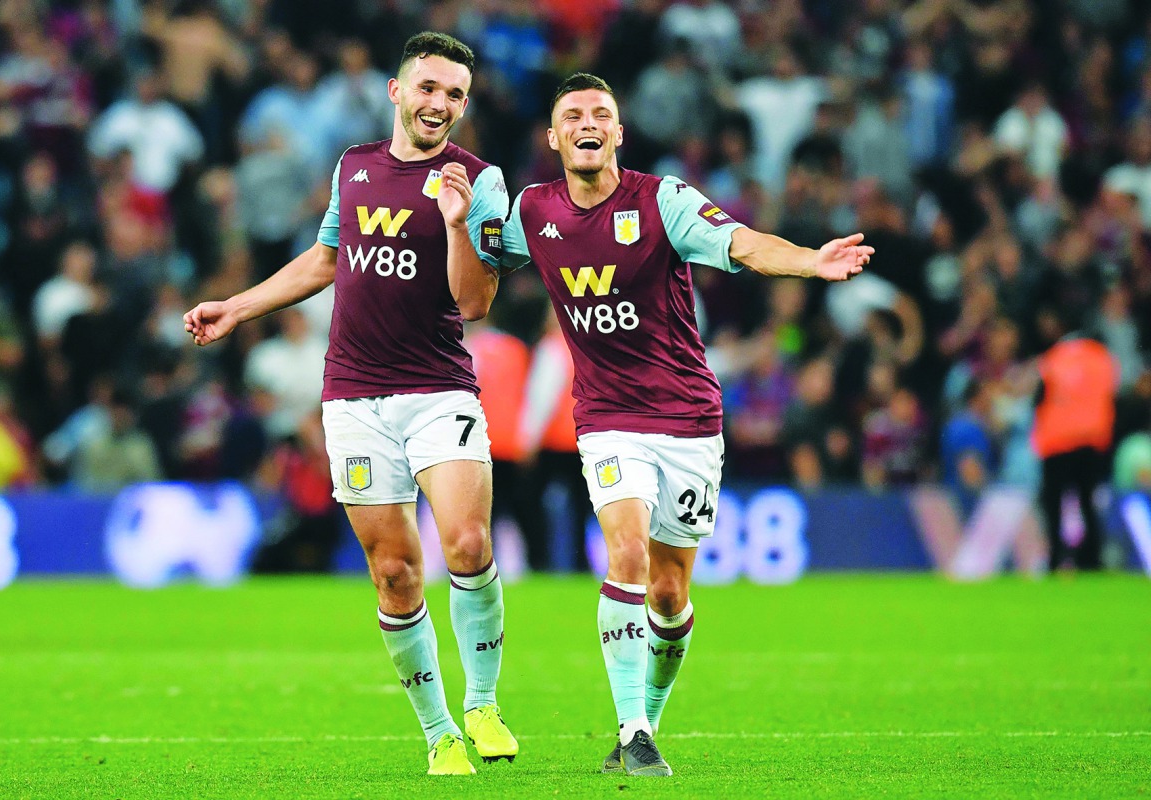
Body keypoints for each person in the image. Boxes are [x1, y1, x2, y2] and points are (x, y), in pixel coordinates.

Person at [500, 73, 872, 777]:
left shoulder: (663, 201)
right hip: (607, 419)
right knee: (628, 555)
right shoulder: (531, 211)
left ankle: (646, 723)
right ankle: (633, 728)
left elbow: (743, 243)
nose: (588, 122)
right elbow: (475, 268)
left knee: (670, 594)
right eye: (572, 114)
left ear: (617, 133)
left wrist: (809, 261)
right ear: (553, 138)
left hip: (689, 417)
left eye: (601, 113)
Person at [183, 32, 517, 776]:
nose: (440, 105)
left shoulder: (480, 181)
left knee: (466, 545)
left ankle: (483, 703)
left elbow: (477, 301)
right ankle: (438, 734)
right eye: (428, 88)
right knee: (395, 573)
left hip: (438, 389)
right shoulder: (355, 167)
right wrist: (239, 306)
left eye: (455, 95)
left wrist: (458, 224)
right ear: (397, 92)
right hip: (355, 398)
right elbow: (327, 259)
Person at [1031, 328, 1119, 571]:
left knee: (1053, 504)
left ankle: (1054, 559)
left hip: (1056, 442)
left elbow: (1039, 398)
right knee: (1087, 502)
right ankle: (1091, 560)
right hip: (1091, 441)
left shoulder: (1053, 357)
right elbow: (1111, 396)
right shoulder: (1103, 358)